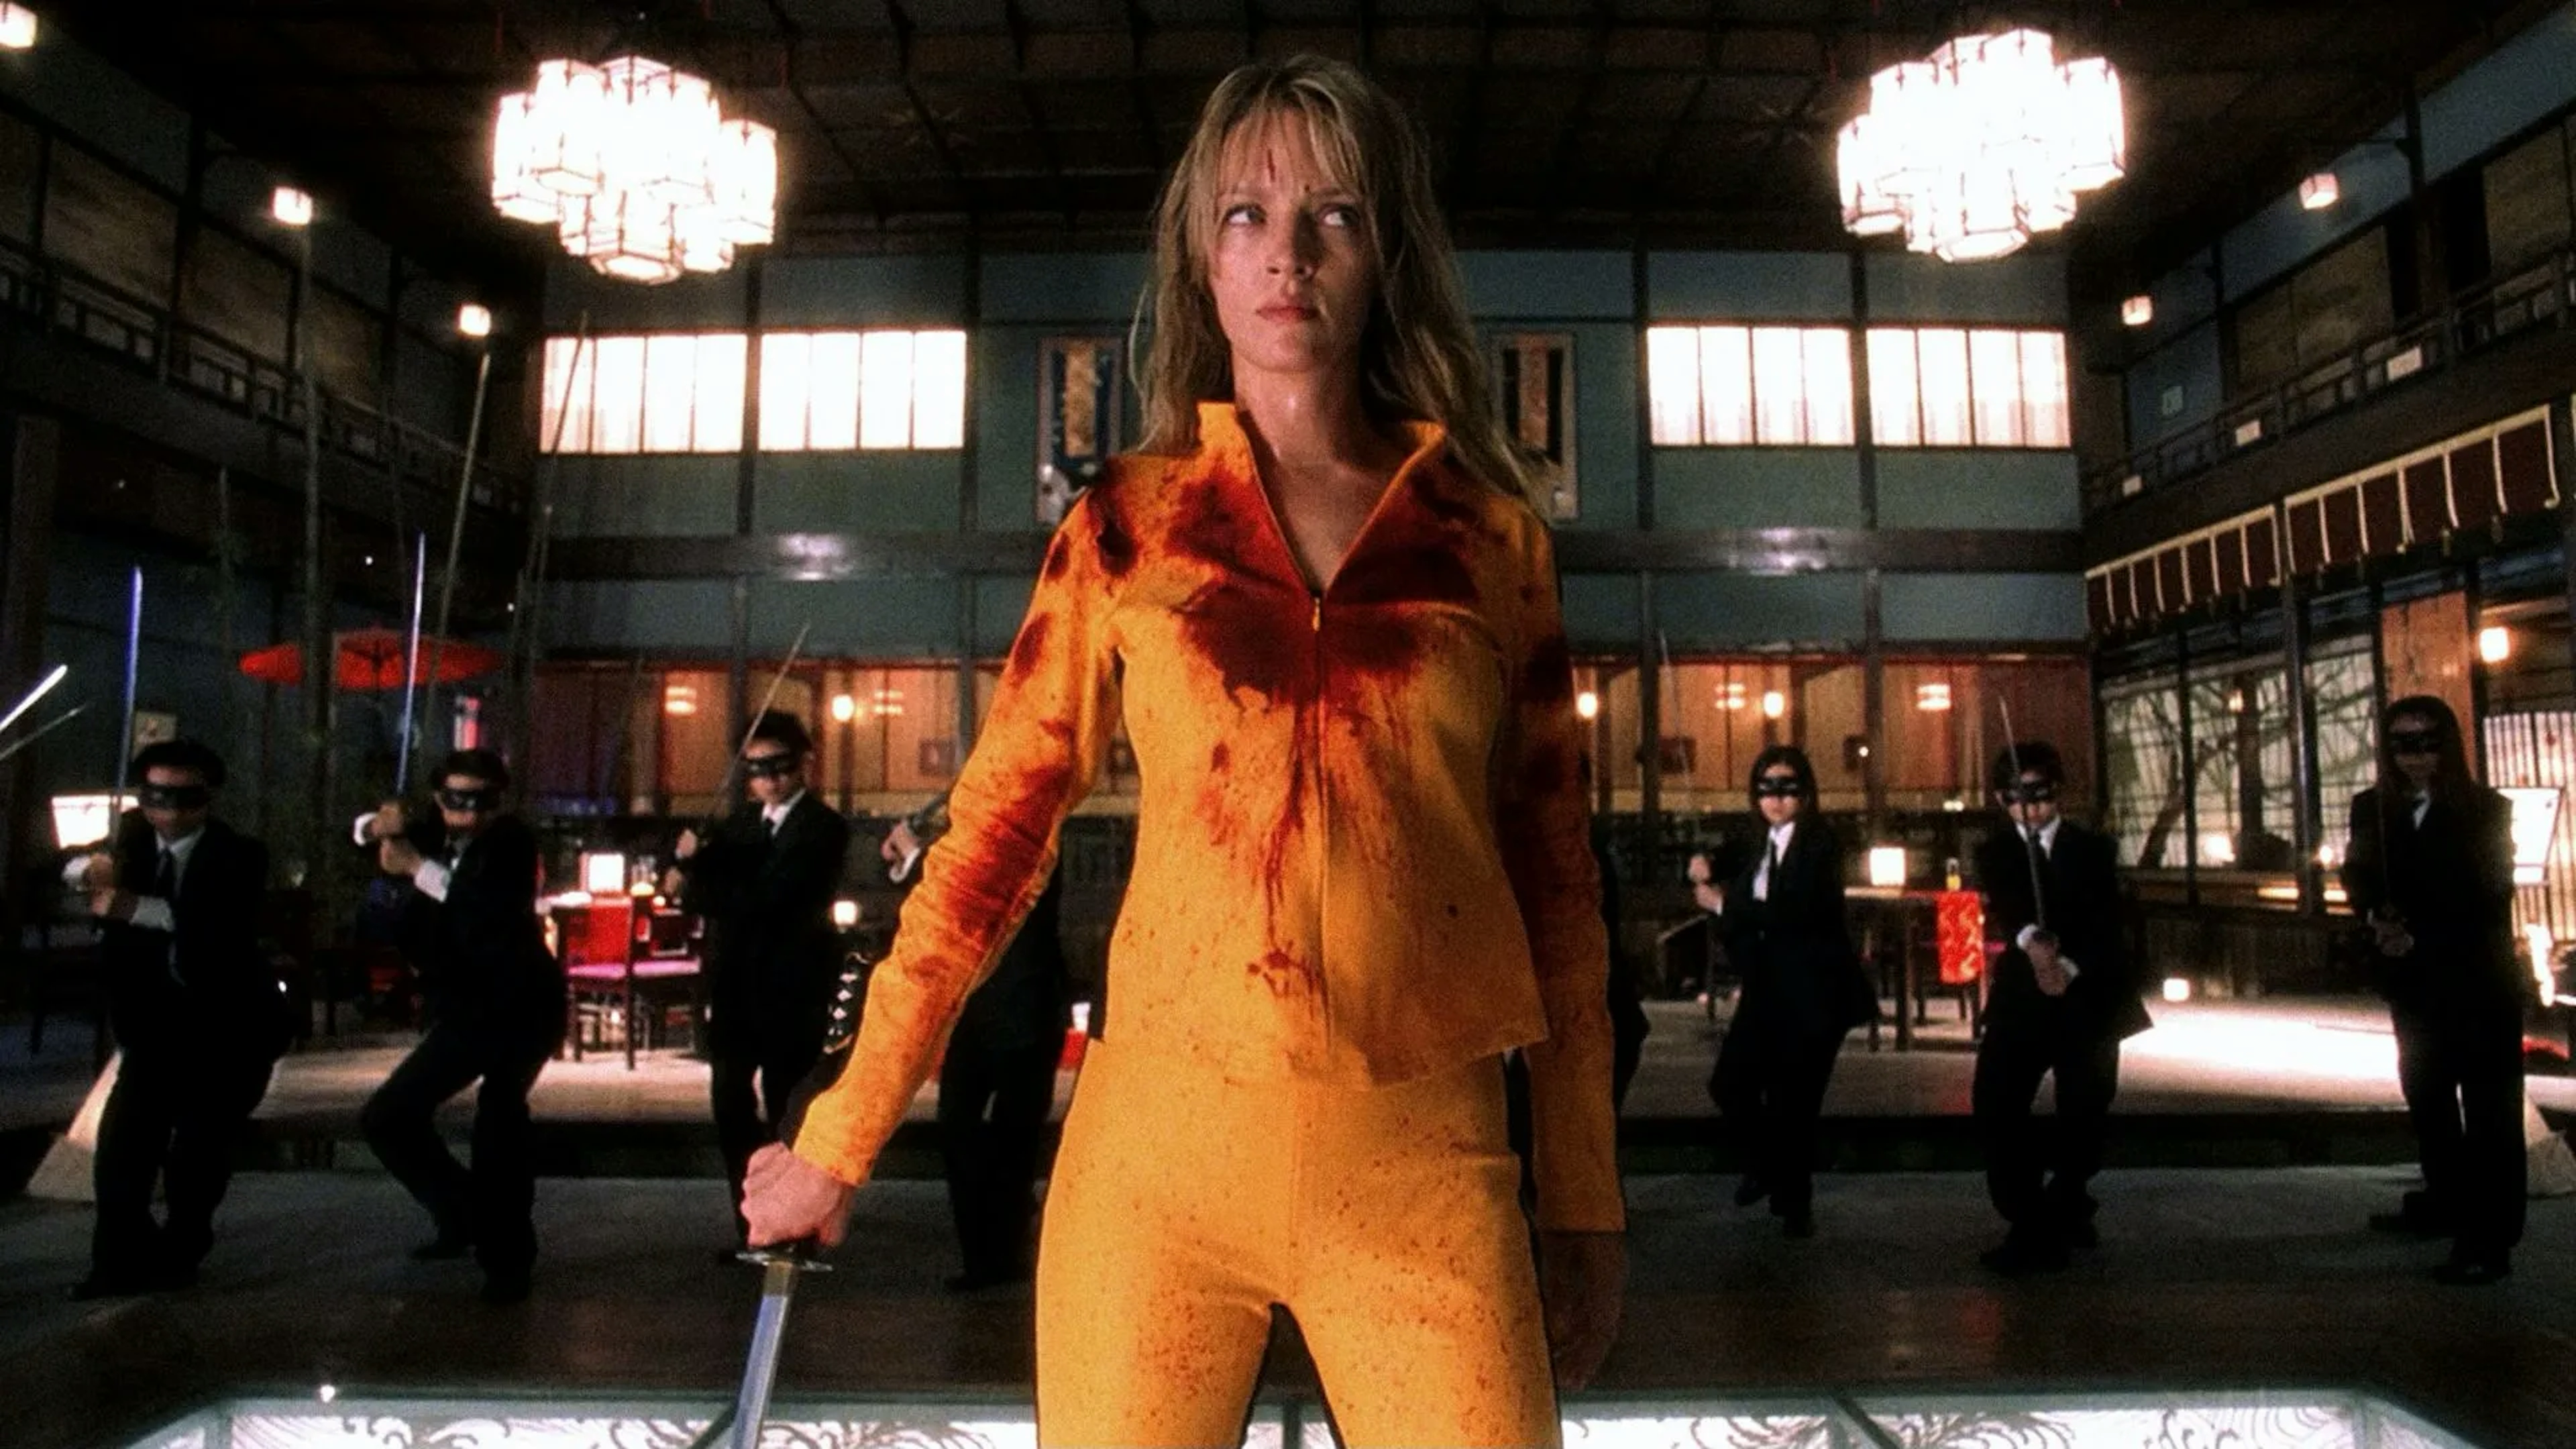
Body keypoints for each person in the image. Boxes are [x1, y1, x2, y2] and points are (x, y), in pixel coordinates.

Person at [744, 54, 1623, 1446]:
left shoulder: (1488, 543)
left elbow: (1561, 891)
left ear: (1387, 251)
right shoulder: (1127, 528)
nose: (1288, 255)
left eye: (1335, 215)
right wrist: (843, 1132)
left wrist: (1582, 1198)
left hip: (1425, 1164)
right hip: (1158, 1170)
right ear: (1201, 260)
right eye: (1245, 215)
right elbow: (990, 843)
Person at [65, 739, 280, 1297]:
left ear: (208, 798)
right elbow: (72, 867)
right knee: (123, 1148)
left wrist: (132, 907)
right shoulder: (131, 842)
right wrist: (86, 871)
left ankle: (181, 1251)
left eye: (187, 797)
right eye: (159, 796)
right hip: (153, 1027)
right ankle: (115, 1264)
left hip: (224, 1028)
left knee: (197, 1155)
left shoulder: (238, 854)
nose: (171, 811)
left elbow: (216, 926)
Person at [360, 749, 564, 1305]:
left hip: (522, 1006)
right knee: (388, 1115)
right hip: (466, 1008)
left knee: (499, 1124)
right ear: (438, 799)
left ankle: (507, 1261)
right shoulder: (435, 832)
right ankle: (462, 1212)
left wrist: (416, 869)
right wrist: (378, 826)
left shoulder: (511, 843)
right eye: (457, 801)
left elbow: (486, 907)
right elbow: (367, 834)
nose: (470, 813)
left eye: (483, 802)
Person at [2340, 696, 2524, 1284]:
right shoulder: (2373, 809)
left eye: (2427, 742)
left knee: (2490, 1111)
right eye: (2402, 744)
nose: (2415, 756)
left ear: (2449, 745)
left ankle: (2490, 1239)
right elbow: (2358, 872)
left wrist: (2412, 930)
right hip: (2414, 982)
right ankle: (2446, 1202)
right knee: (2429, 1098)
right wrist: (2377, 917)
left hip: (2477, 979)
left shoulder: (2485, 810)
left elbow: (2488, 891)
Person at [665, 710, 851, 1251]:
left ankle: (793, 1227)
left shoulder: (822, 827)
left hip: (792, 993)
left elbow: (770, 897)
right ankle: (752, 1224)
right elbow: (708, 875)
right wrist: (685, 860)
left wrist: (694, 887)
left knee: (785, 1107)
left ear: (805, 764)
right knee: (729, 1102)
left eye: (780, 766)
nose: (768, 779)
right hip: (736, 990)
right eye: (756, 769)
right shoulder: (741, 824)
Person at [1970, 739, 2150, 1275]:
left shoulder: (2094, 849)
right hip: (2023, 1000)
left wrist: (2068, 966)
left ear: (2058, 790)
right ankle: (2030, 1217)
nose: (2027, 807)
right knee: (1995, 1101)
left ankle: (2067, 1201)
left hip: (2088, 996)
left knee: (2084, 1113)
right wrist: (2034, 945)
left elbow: (2106, 923)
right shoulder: (1996, 851)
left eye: (2038, 793)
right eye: (2014, 797)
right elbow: (2011, 907)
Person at [1705, 746, 1876, 1238]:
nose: (1776, 799)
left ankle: (1794, 1202)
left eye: (1787, 788)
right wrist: (1706, 870)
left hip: (1816, 992)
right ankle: (1770, 1167)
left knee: (1795, 1100)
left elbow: (1795, 911)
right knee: (1731, 1084)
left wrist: (1725, 906)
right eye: (1766, 789)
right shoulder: (1756, 843)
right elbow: (1728, 870)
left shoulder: (1821, 844)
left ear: (1806, 793)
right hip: (1769, 988)